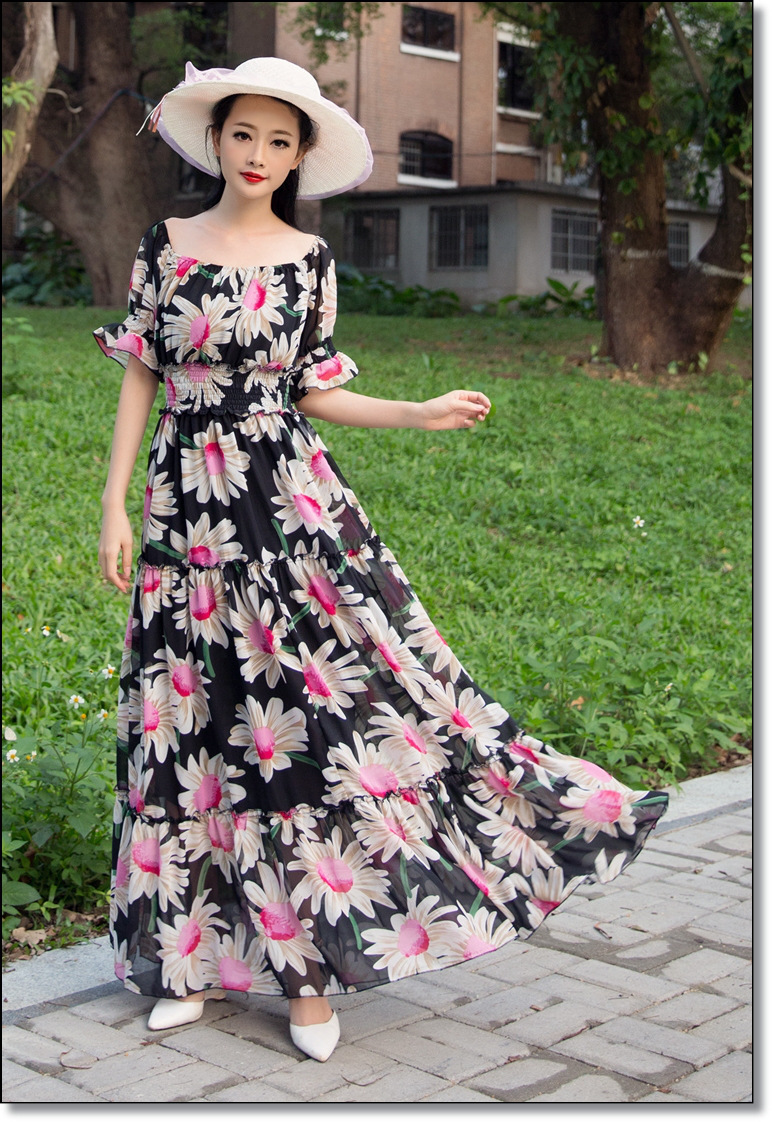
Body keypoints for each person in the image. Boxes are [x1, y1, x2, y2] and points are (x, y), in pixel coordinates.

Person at [95, 57, 668, 1064]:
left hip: (287, 509)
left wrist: (415, 410)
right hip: (182, 513)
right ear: (215, 139)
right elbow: (144, 370)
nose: (259, 154)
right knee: (187, 720)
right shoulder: (165, 244)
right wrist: (112, 502)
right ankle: (189, 958)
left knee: (298, 720)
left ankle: (308, 971)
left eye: (280, 141)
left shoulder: (308, 260)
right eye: (244, 134)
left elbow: (311, 389)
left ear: (298, 157)